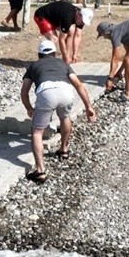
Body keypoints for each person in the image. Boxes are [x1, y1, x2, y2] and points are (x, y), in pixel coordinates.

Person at [20, 40, 97, 178]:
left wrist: (29, 108)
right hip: (66, 91)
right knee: (65, 117)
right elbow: (79, 85)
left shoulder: (34, 66)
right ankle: (64, 150)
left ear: (39, 54)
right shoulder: (63, 64)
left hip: (47, 93)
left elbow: (24, 91)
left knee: (37, 132)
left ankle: (40, 170)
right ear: (55, 53)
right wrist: (88, 106)